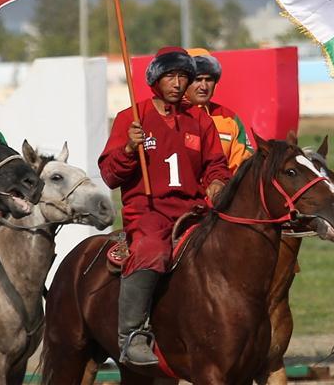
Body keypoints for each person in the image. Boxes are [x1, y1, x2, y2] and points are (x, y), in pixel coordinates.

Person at [99, 46, 231, 367]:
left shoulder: (199, 119)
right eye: (171, 76)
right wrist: (130, 148)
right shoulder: (131, 118)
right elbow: (109, 175)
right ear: (155, 79)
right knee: (152, 250)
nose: (177, 83)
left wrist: (216, 181)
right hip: (148, 211)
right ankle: (132, 336)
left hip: (193, 211)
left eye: (183, 77)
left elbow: (216, 164)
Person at [184, 48, 254, 171]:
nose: (204, 86)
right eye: (198, 79)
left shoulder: (229, 119)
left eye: (209, 80)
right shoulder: (169, 115)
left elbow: (244, 168)